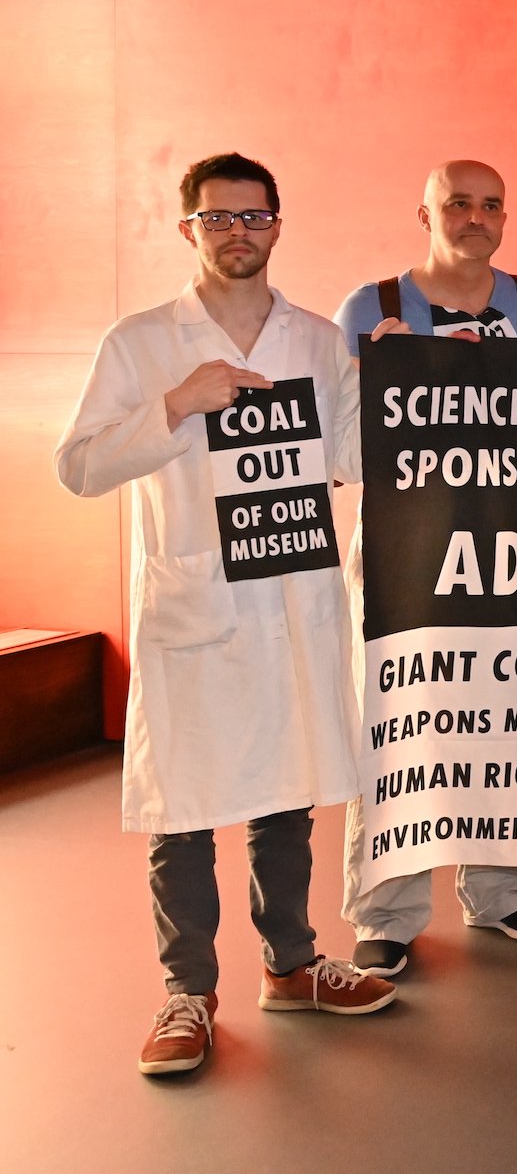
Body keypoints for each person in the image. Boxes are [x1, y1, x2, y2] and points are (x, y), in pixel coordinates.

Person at [59, 154, 395, 1078]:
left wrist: (409, 371)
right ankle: (186, 992)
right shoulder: (140, 342)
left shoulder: (319, 341)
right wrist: (177, 404)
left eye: (254, 216)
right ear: (189, 231)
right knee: (186, 804)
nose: (238, 231)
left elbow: (359, 452)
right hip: (195, 606)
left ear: (279, 224)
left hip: (291, 601)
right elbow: (79, 464)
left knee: (288, 793)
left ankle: (291, 964)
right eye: (218, 219)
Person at [333, 160, 517, 975]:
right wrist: (377, 374)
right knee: (399, 725)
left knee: (507, 714)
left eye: (491, 204)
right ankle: (387, 909)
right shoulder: (374, 307)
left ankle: (505, 886)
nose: (475, 216)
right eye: (457, 203)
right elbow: (336, 443)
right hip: (407, 547)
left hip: (506, 545)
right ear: (424, 211)